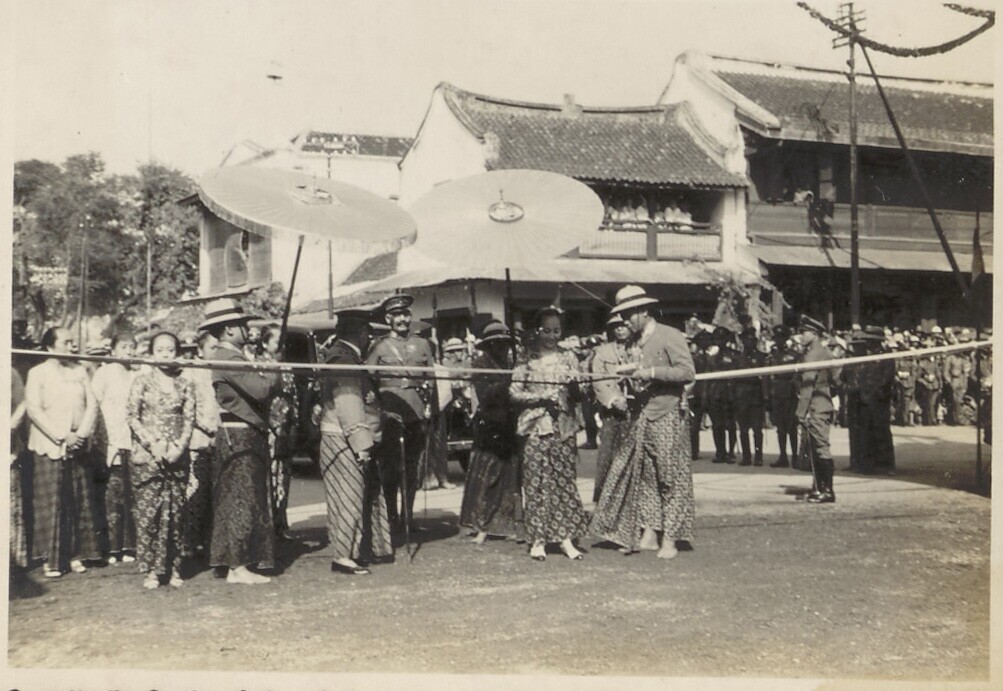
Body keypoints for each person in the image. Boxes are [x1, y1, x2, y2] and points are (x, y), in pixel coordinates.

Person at [590, 285, 696, 559]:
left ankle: (670, 538)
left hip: (668, 414)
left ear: (643, 311)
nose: (624, 322)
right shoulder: (633, 343)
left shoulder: (669, 335)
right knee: (647, 477)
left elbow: (687, 372)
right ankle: (650, 532)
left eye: (628, 315)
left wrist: (651, 373)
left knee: (670, 477)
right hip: (642, 416)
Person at [201, 298, 282, 585]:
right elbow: (261, 390)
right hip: (240, 434)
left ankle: (235, 561)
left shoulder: (234, 355)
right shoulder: (229, 357)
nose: (248, 328)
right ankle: (237, 566)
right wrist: (274, 367)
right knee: (242, 499)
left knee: (242, 497)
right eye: (242, 324)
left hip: (245, 432)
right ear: (229, 329)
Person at [509, 307, 589, 561]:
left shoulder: (569, 356)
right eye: (546, 330)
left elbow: (582, 393)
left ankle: (566, 539)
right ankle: (538, 540)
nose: (552, 336)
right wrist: (541, 397)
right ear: (537, 330)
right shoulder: (526, 357)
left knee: (564, 482)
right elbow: (514, 392)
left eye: (556, 330)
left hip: (563, 426)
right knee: (536, 483)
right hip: (535, 426)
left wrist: (576, 384)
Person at [317, 309, 393, 575]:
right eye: (367, 333)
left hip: (341, 436)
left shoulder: (342, 356)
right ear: (361, 332)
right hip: (344, 437)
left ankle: (349, 551)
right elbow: (349, 404)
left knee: (348, 496)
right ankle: (343, 555)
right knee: (349, 496)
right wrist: (362, 445)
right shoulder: (344, 360)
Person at [25, 326, 100, 577]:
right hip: (50, 444)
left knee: (78, 499)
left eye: (72, 342)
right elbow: (34, 410)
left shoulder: (80, 371)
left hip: (78, 444)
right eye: (66, 342)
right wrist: (62, 435)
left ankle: (77, 554)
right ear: (50, 346)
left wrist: (81, 434)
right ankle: (52, 559)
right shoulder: (38, 373)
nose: (72, 347)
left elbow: (92, 404)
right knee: (53, 502)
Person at [127, 331, 196, 589]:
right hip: (148, 457)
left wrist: (179, 447)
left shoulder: (185, 384)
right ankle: (151, 571)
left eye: (170, 350)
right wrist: (152, 443)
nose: (166, 355)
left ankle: (174, 568)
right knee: (149, 515)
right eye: (160, 350)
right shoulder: (141, 382)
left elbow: (189, 420)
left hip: (177, 456)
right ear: (152, 354)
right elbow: (132, 416)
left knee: (176, 514)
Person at [366, 294, 436, 532]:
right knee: (390, 468)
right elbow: (368, 380)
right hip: (390, 413)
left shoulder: (423, 344)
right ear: (388, 319)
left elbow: (431, 379)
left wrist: (429, 408)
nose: (403, 320)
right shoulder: (379, 346)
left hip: (415, 412)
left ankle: (408, 517)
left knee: (412, 467)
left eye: (406, 314)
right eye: (397, 315)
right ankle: (391, 517)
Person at [459, 321, 523, 544]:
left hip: (509, 424)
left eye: (505, 343)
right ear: (488, 345)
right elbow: (485, 396)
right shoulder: (480, 364)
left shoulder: (511, 362)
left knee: (510, 476)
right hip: (490, 425)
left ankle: (507, 523)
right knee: (488, 475)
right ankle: (482, 524)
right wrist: (508, 382)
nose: (501, 347)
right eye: (496, 343)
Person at [89, 332, 138, 565]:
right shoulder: (104, 372)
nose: (129, 351)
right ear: (114, 349)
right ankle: (111, 548)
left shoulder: (137, 373)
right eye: (124, 346)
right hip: (110, 440)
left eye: (132, 346)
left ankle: (130, 546)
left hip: (133, 441)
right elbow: (94, 405)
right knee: (111, 495)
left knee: (131, 495)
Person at [181, 329, 219, 556]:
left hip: (219, 439)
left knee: (214, 493)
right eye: (212, 348)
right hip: (198, 439)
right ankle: (189, 541)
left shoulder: (221, 370)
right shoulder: (191, 372)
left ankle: (208, 541)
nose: (216, 351)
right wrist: (209, 428)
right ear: (200, 350)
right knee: (196, 492)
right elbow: (189, 407)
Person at [795, 315, 841, 503]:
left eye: (804, 332)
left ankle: (827, 490)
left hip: (816, 406)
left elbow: (807, 386)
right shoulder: (823, 352)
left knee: (821, 447)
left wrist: (800, 412)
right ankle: (819, 487)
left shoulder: (813, 355)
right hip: (823, 403)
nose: (801, 336)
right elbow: (835, 379)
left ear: (814, 334)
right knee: (815, 447)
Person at [589, 314, 634, 502]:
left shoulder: (639, 348)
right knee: (608, 453)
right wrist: (614, 400)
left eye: (624, 325)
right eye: (616, 326)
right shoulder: (602, 352)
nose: (620, 329)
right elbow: (598, 380)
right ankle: (604, 500)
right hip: (612, 411)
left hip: (636, 410)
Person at [260, 325, 298, 537]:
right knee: (270, 475)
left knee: (284, 475)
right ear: (265, 343)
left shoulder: (287, 367)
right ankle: (269, 525)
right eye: (276, 341)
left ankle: (281, 522)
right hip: (270, 430)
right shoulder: (260, 366)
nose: (281, 346)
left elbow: (293, 398)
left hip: (287, 428)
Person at [855, 328, 896, 475]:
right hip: (866, 399)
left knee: (882, 431)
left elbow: (886, 379)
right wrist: (863, 392)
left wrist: (874, 393)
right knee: (866, 432)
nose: (868, 344)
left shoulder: (887, 357)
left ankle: (887, 465)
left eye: (870, 341)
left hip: (879, 399)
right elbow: (861, 377)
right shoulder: (866, 357)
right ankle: (868, 465)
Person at [733, 327, 767, 467]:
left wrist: (766, 396)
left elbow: (765, 379)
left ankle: (758, 457)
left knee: (757, 429)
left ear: (755, 341)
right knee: (743, 429)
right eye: (745, 340)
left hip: (756, 396)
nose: (748, 342)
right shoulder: (737, 358)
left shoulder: (762, 357)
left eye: (751, 340)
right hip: (741, 397)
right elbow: (733, 379)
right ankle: (746, 457)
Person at [706, 326, 738, 464]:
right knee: (717, 425)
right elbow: (708, 376)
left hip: (729, 392)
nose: (719, 341)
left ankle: (731, 452)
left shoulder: (734, 355)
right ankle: (720, 451)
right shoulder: (711, 356)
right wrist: (706, 395)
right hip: (715, 392)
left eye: (722, 338)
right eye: (717, 339)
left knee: (730, 424)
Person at [769, 328, 800, 468]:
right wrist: (767, 395)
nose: (779, 341)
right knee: (780, 427)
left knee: (792, 426)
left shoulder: (794, 356)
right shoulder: (771, 357)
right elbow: (767, 377)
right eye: (777, 338)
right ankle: (783, 456)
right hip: (777, 393)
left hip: (790, 393)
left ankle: (795, 456)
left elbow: (798, 375)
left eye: (782, 338)